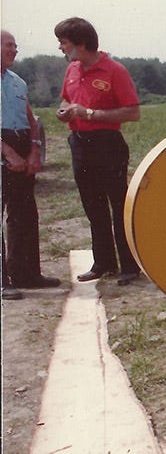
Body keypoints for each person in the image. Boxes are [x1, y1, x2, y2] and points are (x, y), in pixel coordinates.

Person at [54, 17, 141, 286]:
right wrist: (65, 111)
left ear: (81, 44)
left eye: (63, 43)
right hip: (79, 144)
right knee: (93, 207)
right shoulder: (71, 70)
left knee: (118, 205)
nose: (60, 48)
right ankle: (103, 263)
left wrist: (89, 114)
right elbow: (66, 99)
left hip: (107, 144)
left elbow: (133, 111)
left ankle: (129, 265)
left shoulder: (114, 71)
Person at [1, 30, 61, 300]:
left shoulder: (17, 82)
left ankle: (27, 274)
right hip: (3, 147)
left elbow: (31, 120)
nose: (14, 50)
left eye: (15, 45)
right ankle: (4, 281)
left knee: (25, 213)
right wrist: (7, 153)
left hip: (22, 144)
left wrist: (35, 151)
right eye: (8, 45)